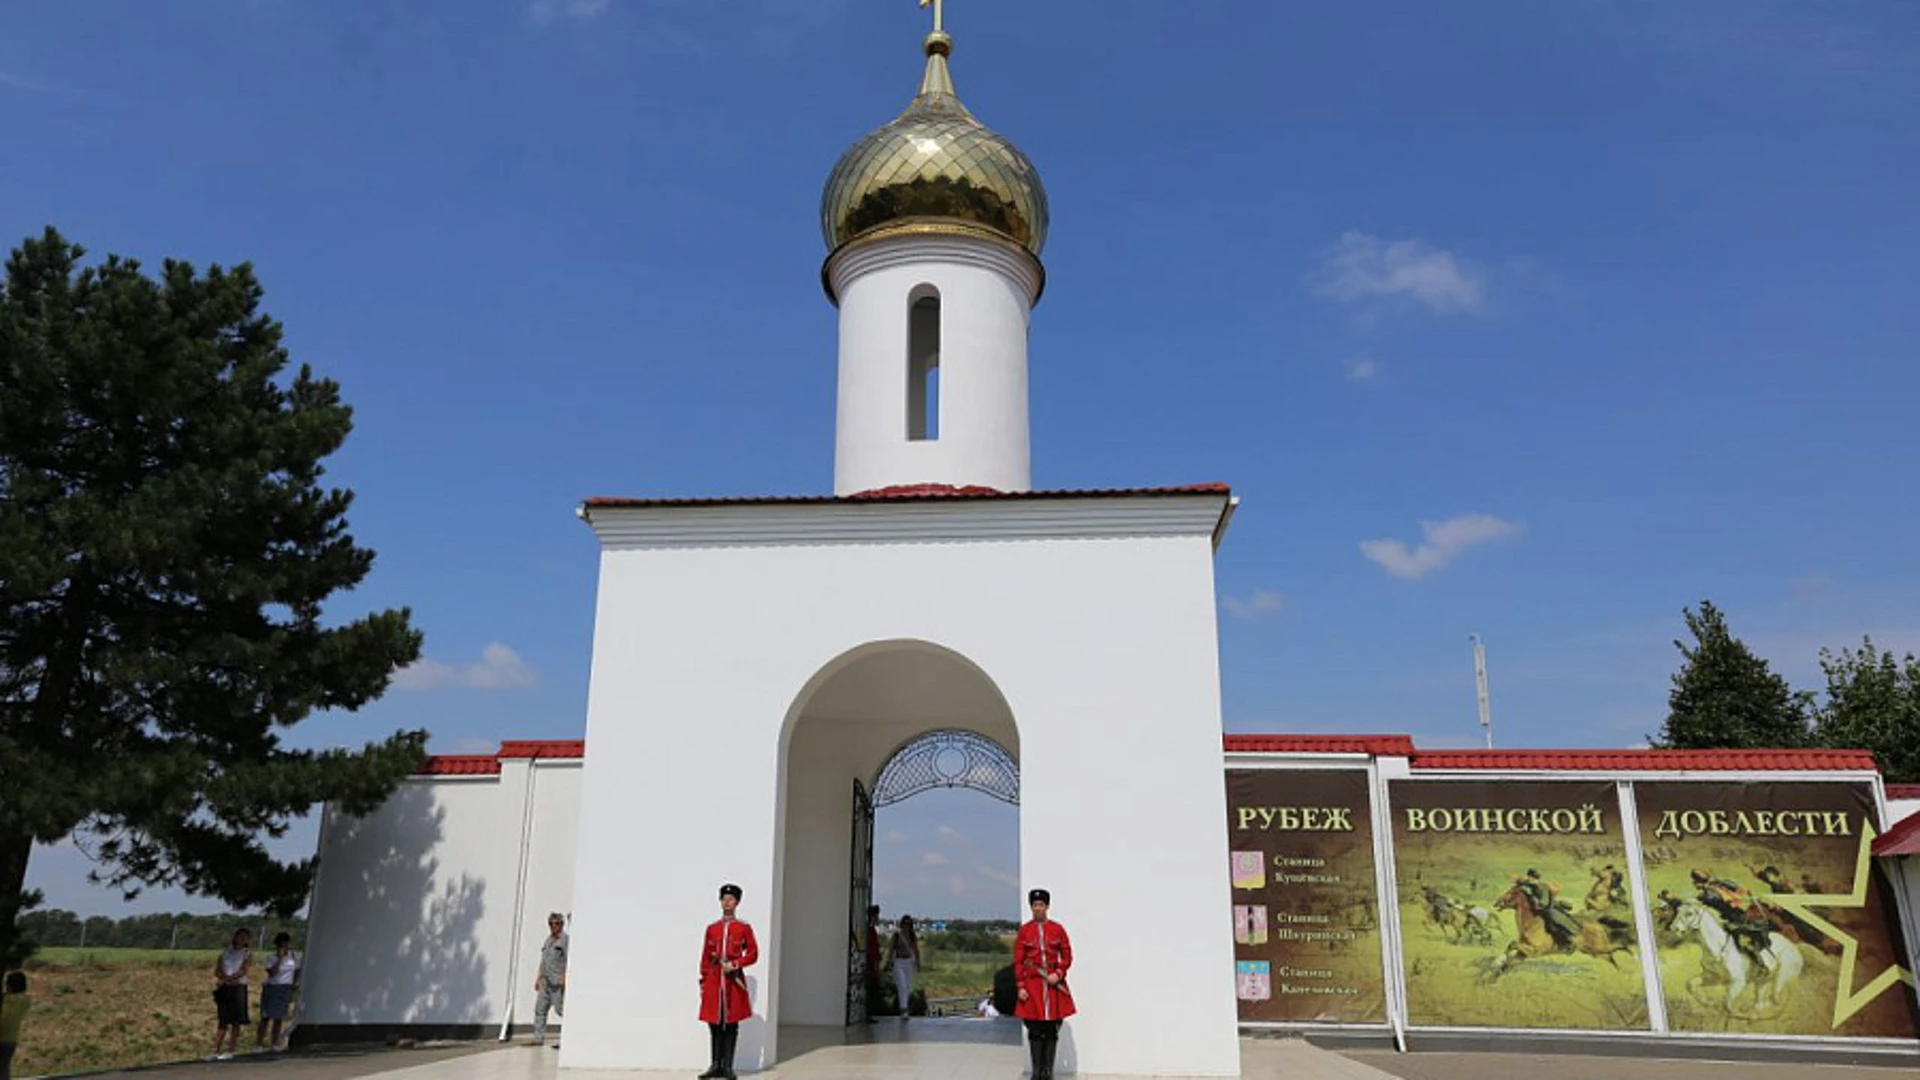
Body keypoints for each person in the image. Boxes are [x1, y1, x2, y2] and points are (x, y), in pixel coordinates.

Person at [699, 883, 759, 1080]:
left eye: (731, 899)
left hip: (733, 983)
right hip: (714, 982)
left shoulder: (743, 927)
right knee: (714, 1023)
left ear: (737, 902)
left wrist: (735, 964)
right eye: (724, 899)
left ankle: (728, 1067)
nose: (727, 903)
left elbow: (753, 953)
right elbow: (706, 957)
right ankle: (715, 1065)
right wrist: (703, 981)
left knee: (731, 1024)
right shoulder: (712, 928)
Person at [1015, 888, 1074, 1080]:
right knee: (1034, 1029)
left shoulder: (1057, 929)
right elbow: (1018, 960)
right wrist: (1021, 986)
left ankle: (1048, 1073)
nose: (1038, 908)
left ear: (1047, 906)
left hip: (1053, 986)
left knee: (1051, 1029)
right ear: (1031, 907)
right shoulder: (1025, 931)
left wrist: (1059, 973)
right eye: (1035, 905)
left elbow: (1067, 955)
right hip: (1033, 986)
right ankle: (1037, 1072)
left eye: (1041, 905)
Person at [209, 927, 253, 1061]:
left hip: (238, 986)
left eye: (245, 937)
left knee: (235, 1020)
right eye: (239, 936)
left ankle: (231, 1049)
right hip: (225, 986)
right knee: (223, 1019)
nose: (241, 939)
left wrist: (231, 978)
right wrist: (223, 978)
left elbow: (244, 970)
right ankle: (215, 1049)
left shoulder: (247, 953)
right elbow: (217, 970)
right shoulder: (226, 953)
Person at [255, 932, 301, 1052]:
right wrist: (279, 959)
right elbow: (272, 973)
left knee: (278, 1017)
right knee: (266, 1017)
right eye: (282, 944)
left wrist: (294, 983)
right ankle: (259, 1043)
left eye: (286, 944)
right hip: (272, 986)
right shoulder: (271, 957)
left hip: (285, 987)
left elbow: (297, 970)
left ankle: (274, 1043)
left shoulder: (293, 957)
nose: (284, 947)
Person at [531, 912, 569, 1048]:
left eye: (557, 923)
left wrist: (564, 977)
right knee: (540, 1009)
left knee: (562, 1010)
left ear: (562, 925)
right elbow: (543, 961)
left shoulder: (565, 940)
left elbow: (569, 960)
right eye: (551, 924)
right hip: (545, 982)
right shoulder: (548, 940)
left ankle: (567, 1039)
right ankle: (538, 1038)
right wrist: (538, 977)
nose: (554, 926)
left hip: (557, 982)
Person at [887, 915, 920, 1021]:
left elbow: (916, 949)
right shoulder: (896, 935)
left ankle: (904, 1009)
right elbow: (891, 949)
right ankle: (904, 1010)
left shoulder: (912, 936)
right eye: (905, 924)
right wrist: (889, 961)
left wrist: (918, 962)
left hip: (909, 963)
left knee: (907, 987)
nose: (906, 926)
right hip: (899, 962)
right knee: (902, 986)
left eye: (909, 924)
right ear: (902, 924)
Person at [1, 971, 30, 1080]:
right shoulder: (24, 1001)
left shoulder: (7, 1000)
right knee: (3, 1070)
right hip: (11, 1041)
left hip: (1, 1038)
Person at [863, 903, 882, 1022]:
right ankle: (867, 1014)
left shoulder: (869, 930)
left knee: (870, 990)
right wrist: (876, 966)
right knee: (870, 990)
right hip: (870, 965)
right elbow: (873, 951)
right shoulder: (870, 931)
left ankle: (867, 1014)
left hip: (870, 963)